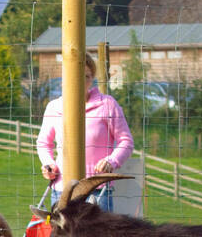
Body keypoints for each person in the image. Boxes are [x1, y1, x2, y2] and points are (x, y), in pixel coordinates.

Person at [37, 52, 133, 210]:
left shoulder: (107, 104)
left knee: (100, 235)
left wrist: (111, 162)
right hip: (63, 190)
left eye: (87, 77)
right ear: (64, 78)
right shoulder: (54, 107)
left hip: (98, 190)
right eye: (75, 76)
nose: (80, 82)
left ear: (92, 79)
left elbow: (126, 141)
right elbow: (43, 143)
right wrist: (48, 164)